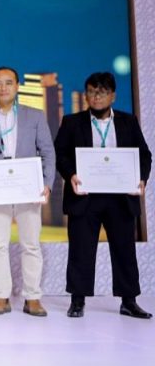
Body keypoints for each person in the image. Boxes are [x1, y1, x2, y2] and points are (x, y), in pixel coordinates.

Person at [54, 72, 152, 319]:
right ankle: (78, 300)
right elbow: (60, 154)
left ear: (113, 96)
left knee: (124, 250)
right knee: (81, 250)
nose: (96, 97)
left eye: (103, 92)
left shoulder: (128, 122)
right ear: (86, 95)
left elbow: (144, 155)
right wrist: (71, 175)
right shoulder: (71, 122)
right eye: (92, 91)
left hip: (120, 197)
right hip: (84, 196)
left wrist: (140, 179)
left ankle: (129, 301)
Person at [0, 67, 56, 318]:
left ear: (17, 86)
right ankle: (0, 296)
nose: (4, 88)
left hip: (28, 188)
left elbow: (47, 151)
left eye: (9, 83)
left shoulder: (35, 116)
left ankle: (33, 297)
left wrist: (47, 183)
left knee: (31, 244)